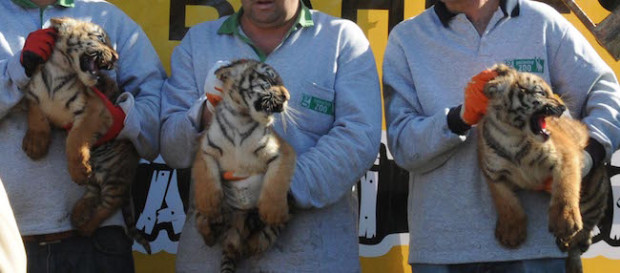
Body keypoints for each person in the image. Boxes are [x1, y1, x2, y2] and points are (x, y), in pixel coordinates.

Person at [383, 0, 620, 272]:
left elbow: (608, 97)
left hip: (539, 251)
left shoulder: (541, 22)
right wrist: (458, 118)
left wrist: (586, 160)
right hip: (444, 253)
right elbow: (402, 146)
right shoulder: (407, 38)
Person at [159, 0, 381, 272]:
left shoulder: (341, 39)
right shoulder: (198, 42)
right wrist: (208, 110)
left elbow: (359, 137)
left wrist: (279, 187)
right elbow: (172, 148)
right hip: (210, 261)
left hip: (313, 260)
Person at [0, 0, 166, 272]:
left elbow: (158, 108)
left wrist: (123, 120)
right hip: (5, 240)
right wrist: (16, 69)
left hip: (95, 241)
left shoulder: (106, 16)